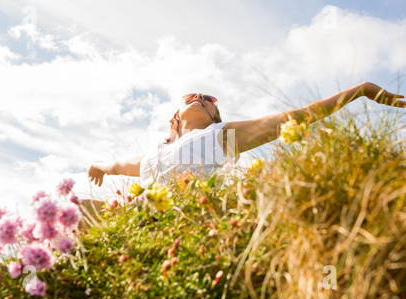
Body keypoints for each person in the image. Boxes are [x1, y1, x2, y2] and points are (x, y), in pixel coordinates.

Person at [87, 82, 405, 191]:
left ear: (216, 116)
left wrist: (358, 90)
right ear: (174, 120)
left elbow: (298, 116)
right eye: (192, 97)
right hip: (158, 234)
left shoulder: (221, 135)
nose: (201, 97)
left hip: (203, 228)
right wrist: (100, 165)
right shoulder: (155, 154)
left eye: (209, 99)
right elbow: (118, 165)